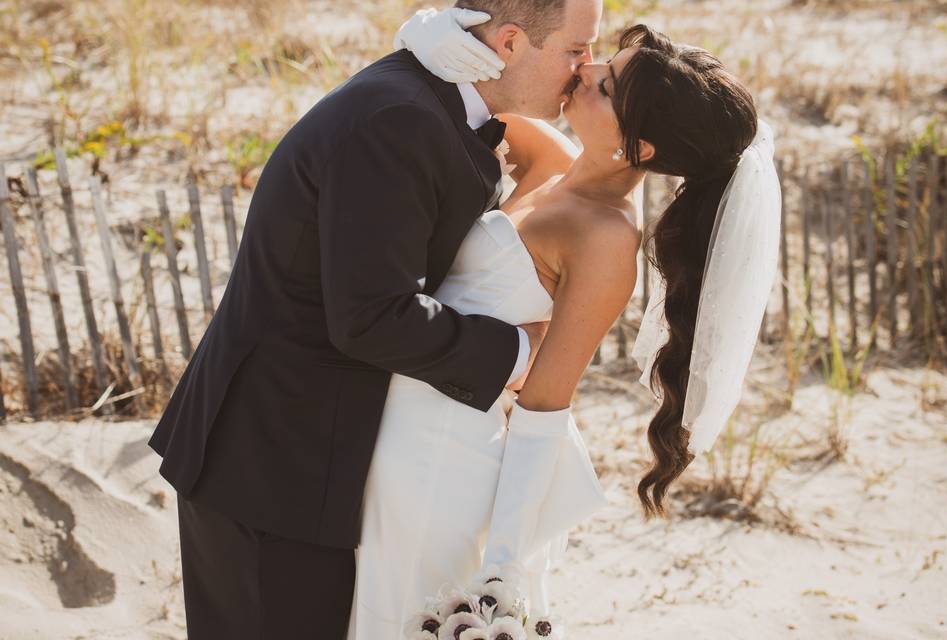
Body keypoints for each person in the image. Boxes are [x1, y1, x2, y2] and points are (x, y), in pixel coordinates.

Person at [146, 1, 602, 638]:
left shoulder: (441, 93)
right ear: (508, 43)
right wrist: (520, 355)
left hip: (317, 457)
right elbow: (371, 318)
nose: (586, 70)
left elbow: (546, 156)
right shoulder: (400, 121)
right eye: (576, 51)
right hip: (270, 461)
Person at [351, 9, 778, 638]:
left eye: (608, 86)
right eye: (605, 59)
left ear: (640, 148)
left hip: (444, 456)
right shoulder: (552, 158)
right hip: (387, 418)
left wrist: (504, 567)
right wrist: (432, 36)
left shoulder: (606, 238)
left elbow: (546, 407)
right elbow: (461, 94)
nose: (588, 68)